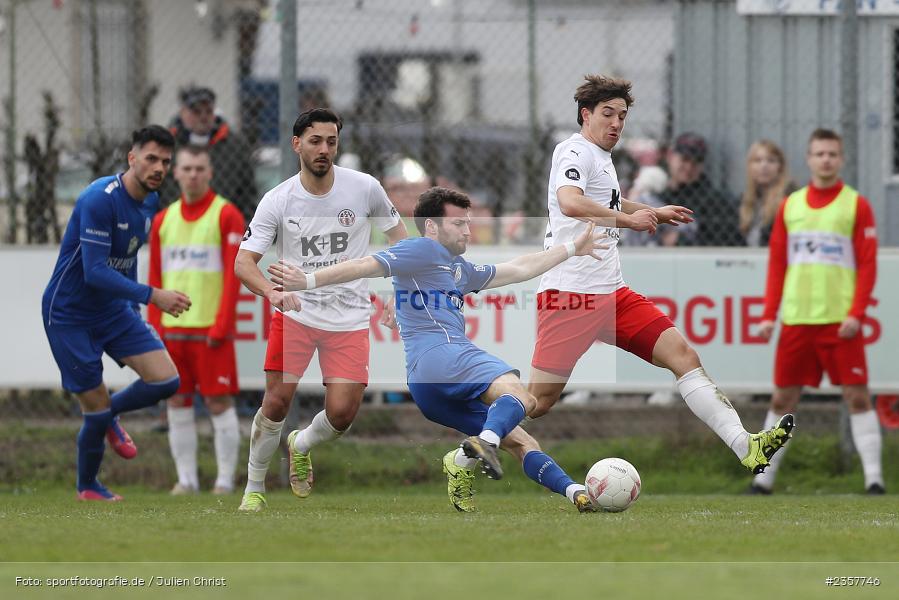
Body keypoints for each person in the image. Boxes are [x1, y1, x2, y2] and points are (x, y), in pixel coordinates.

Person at [268, 187, 609, 513]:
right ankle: (479, 446)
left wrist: (571, 249)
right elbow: (364, 265)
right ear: (431, 226)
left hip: (428, 387)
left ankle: (572, 491)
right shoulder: (422, 249)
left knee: (523, 443)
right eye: (458, 223)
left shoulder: (458, 268)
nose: (467, 231)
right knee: (524, 397)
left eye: (468, 224)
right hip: (445, 357)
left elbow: (519, 269)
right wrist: (308, 281)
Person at [525, 74, 794, 475]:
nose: (616, 123)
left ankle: (746, 446)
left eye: (622, 115)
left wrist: (649, 211)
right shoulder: (573, 151)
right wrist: (626, 221)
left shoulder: (601, 156)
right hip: (571, 296)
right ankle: (471, 444)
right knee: (537, 403)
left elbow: (604, 198)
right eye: (607, 114)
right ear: (586, 114)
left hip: (611, 295)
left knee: (683, 356)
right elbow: (570, 203)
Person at [234, 108, 408, 512]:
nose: (324, 150)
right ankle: (253, 489)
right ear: (297, 144)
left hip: (348, 317)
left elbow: (403, 244)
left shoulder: (364, 188)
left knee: (343, 414)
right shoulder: (277, 199)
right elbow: (244, 263)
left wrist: (399, 294)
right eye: (315, 141)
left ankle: (302, 442)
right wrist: (272, 294)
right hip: (295, 314)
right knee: (275, 403)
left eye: (331, 141)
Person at [41, 126, 191, 501]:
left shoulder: (150, 201)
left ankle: (109, 416)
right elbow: (94, 271)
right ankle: (88, 486)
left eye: (165, 162)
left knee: (166, 381)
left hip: (112, 310)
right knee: (92, 409)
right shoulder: (99, 199)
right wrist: (152, 295)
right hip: (69, 313)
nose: (158, 167)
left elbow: (126, 260)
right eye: (151, 158)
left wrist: (133, 306)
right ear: (132, 158)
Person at [752, 128, 883, 495]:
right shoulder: (791, 206)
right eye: (819, 153)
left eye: (832, 154)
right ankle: (763, 480)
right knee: (782, 399)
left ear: (840, 159)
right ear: (808, 159)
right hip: (797, 320)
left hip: (841, 322)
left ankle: (874, 479)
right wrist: (769, 315)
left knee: (857, 396)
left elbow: (868, 265)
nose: (826, 159)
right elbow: (778, 264)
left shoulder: (856, 205)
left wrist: (857, 313)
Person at [148, 145, 246, 495]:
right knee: (177, 402)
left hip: (209, 332)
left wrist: (223, 323)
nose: (192, 174)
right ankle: (186, 480)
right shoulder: (163, 219)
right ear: (176, 173)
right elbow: (155, 277)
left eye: (199, 168)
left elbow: (235, 276)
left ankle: (224, 480)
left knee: (219, 402)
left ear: (210, 172)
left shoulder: (227, 215)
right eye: (186, 168)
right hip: (172, 332)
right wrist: (155, 327)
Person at [162, 86, 258, 222]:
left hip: (223, 222)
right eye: (196, 112)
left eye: (208, 111)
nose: (203, 117)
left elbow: (248, 192)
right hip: (175, 221)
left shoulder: (234, 145)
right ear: (183, 113)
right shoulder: (167, 144)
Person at [658, 132, 740, 246]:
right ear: (670, 156)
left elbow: (723, 242)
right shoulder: (658, 196)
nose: (689, 167)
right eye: (685, 159)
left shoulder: (714, 201)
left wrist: (680, 240)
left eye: (696, 161)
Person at [738, 140, 797, 247]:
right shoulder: (743, 200)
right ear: (750, 166)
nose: (764, 166)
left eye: (771, 161)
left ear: (780, 166)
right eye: (757, 160)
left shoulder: (790, 198)